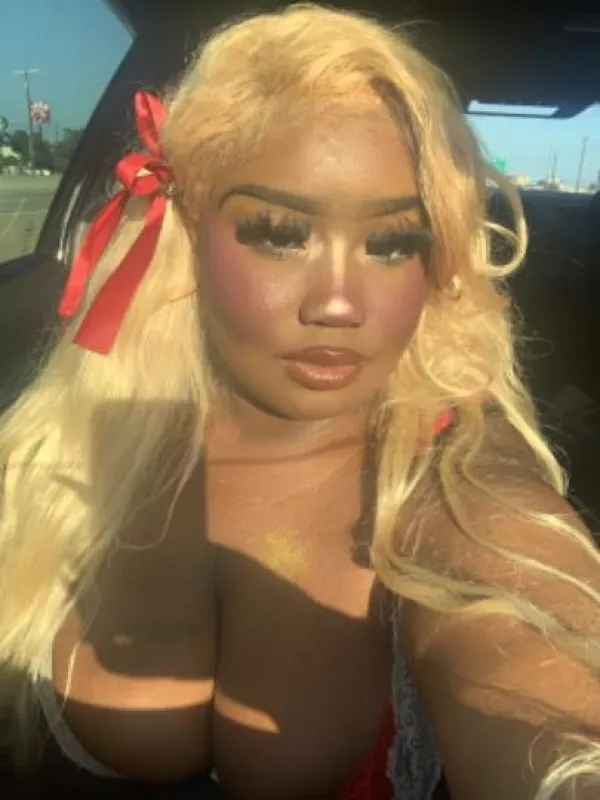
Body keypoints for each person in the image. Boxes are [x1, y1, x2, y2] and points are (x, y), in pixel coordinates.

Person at [1, 4, 600, 798]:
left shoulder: (456, 474)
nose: (339, 304)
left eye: (393, 242)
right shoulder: (62, 446)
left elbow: (531, 633)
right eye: (282, 232)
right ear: (188, 226)